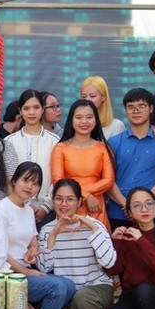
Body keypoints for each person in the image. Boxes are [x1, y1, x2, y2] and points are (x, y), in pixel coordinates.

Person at [37, 179, 119, 309]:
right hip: (69, 296)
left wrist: (92, 228)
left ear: (80, 201)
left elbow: (109, 262)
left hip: (96, 289)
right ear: (52, 201)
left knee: (83, 298)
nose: (64, 204)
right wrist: (53, 235)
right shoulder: (47, 230)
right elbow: (44, 268)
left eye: (70, 199)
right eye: (59, 199)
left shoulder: (95, 225)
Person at [0, 163, 75, 309]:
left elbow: (33, 242)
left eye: (35, 183)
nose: (30, 186)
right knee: (57, 287)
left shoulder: (27, 210)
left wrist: (31, 253)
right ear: (14, 180)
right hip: (7, 274)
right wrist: (26, 271)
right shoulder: (0, 209)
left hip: (26, 270)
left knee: (69, 285)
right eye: (26, 180)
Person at [106, 88, 155, 230]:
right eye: (131, 107)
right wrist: (128, 205)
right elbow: (108, 180)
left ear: (151, 108)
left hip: (150, 214)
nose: (136, 111)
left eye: (141, 106)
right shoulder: (113, 142)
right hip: (118, 212)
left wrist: (143, 205)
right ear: (125, 110)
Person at [51, 99, 115, 231]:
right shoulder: (60, 148)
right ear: (71, 120)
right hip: (68, 206)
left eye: (89, 117)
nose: (84, 122)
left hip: (96, 207)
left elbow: (109, 180)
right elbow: (58, 180)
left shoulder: (102, 148)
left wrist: (89, 196)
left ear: (96, 120)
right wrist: (85, 195)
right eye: (79, 117)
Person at [5, 89, 60, 223]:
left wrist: (46, 207)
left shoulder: (55, 141)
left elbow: (58, 176)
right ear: (20, 111)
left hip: (46, 212)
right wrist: (19, 204)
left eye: (36, 107)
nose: (31, 112)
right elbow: (7, 177)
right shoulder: (9, 141)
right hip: (15, 210)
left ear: (42, 110)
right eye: (27, 108)